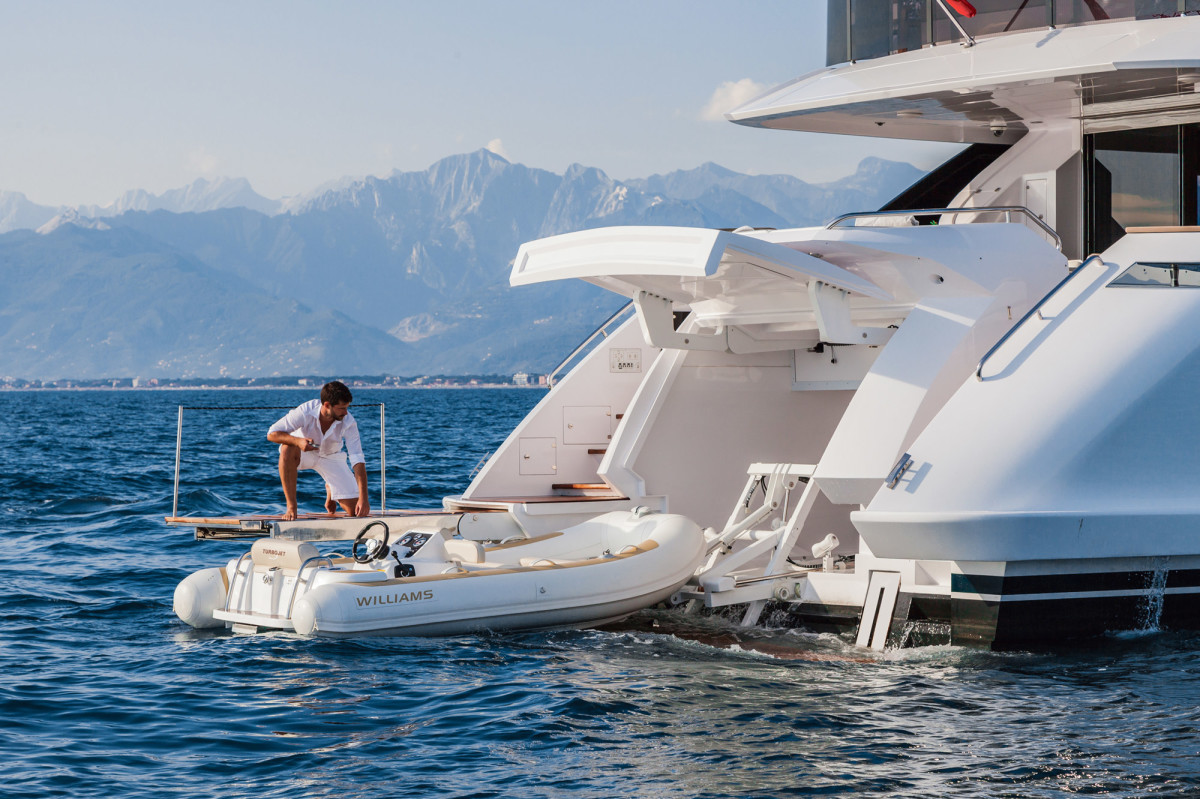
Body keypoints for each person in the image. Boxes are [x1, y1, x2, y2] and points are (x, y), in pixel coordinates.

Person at [267, 380, 370, 521]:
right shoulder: (306, 411)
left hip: (331, 457)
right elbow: (272, 434)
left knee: (355, 511)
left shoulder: (349, 421)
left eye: (347, 408)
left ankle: (331, 488)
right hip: (304, 453)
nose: (346, 412)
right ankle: (291, 506)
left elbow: (357, 458)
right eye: (342, 408)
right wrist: (298, 441)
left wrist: (364, 498)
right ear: (327, 405)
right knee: (287, 448)